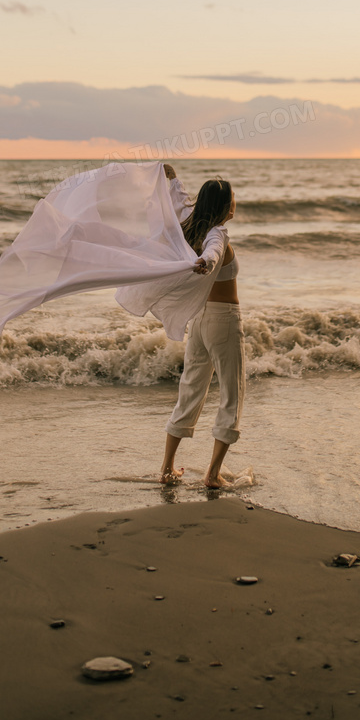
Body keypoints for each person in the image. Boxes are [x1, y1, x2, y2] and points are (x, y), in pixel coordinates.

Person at [159, 167, 244, 490]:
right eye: (232, 199)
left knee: (191, 390)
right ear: (223, 206)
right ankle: (212, 474)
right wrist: (207, 262)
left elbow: (181, 205)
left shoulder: (195, 227)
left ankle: (167, 469)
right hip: (223, 321)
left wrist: (172, 181)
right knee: (231, 397)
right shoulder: (216, 234)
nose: (235, 203)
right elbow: (214, 251)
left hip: (201, 321)